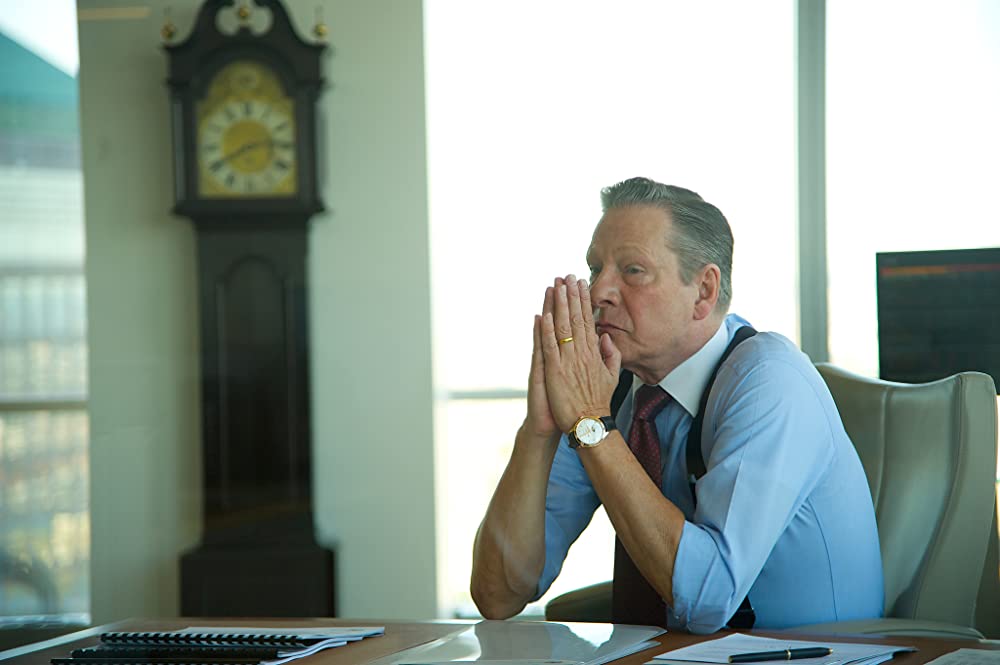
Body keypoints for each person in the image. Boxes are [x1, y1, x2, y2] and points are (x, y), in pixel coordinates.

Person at [470, 177, 884, 633]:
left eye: (632, 270)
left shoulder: (769, 380)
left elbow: (708, 599)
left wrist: (591, 425)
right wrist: (540, 429)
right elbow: (498, 594)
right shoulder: (613, 391)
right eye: (595, 269)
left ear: (704, 292)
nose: (599, 292)